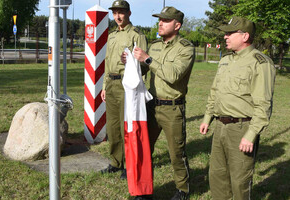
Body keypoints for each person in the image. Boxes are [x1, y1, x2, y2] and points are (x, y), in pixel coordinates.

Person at [199, 16, 276, 200]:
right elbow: (215, 91)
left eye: (230, 33)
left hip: (241, 128)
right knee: (217, 177)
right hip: (220, 126)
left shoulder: (260, 62)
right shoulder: (226, 60)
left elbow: (263, 104)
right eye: (225, 33)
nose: (225, 37)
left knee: (240, 182)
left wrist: (251, 135)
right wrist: (207, 117)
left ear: (245, 36)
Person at [124, 6, 195, 200]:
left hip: (172, 108)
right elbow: (145, 70)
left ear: (177, 25)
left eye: (165, 20)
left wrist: (147, 59)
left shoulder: (186, 48)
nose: (160, 23)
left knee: (176, 153)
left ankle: (183, 190)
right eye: (159, 20)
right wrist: (131, 62)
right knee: (144, 150)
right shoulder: (155, 46)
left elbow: (173, 75)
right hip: (151, 105)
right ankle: (144, 190)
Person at [100, 0, 148, 180]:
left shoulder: (136, 35)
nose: (118, 16)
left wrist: (138, 89)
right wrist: (105, 86)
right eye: (115, 13)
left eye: (121, 12)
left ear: (129, 13)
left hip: (127, 84)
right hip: (112, 84)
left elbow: (143, 64)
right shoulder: (112, 35)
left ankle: (130, 165)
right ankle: (115, 162)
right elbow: (107, 62)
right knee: (112, 127)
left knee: (127, 126)